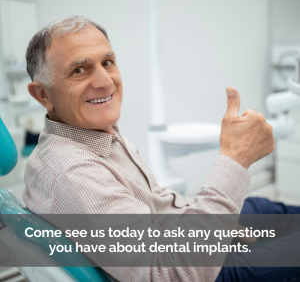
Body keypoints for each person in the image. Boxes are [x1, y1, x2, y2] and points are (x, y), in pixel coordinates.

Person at [23, 15, 294, 281]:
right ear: (43, 94)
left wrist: (218, 225)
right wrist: (235, 159)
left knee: (264, 207)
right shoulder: (73, 171)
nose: (105, 81)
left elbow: (154, 201)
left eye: (108, 62)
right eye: (78, 70)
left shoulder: (96, 134)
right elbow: (170, 273)